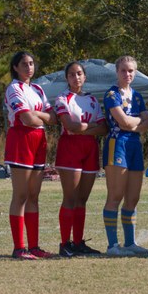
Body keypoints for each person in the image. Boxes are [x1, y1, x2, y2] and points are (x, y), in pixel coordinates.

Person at [3, 51, 57, 260]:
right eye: (24, 64)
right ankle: (19, 248)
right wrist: (39, 117)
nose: (29, 67)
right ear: (15, 67)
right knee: (21, 195)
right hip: (21, 141)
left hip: (39, 142)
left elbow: (52, 118)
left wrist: (39, 116)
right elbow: (26, 119)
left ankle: (34, 246)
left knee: (34, 196)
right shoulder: (13, 88)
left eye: (31, 63)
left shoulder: (37, 89)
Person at [54, 61, 108, 257]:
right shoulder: (62, 99)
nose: (76, 77)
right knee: (70, 198)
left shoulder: (92, 99)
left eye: (79, 74)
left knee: (82, 199)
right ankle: (64, 244)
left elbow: (104, 128)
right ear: (66, 78)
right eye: (71, 74)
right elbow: (70, 126)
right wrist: (89, 126)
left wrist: (83, 127)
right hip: (70, 149)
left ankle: (78, 243)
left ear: (84, 77)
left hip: (90, 149)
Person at [101, 56, 148, 256]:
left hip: (134, 145)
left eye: (131, 71)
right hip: (117, 143)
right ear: (117, 72)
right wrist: (137, 121)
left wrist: (135, 122)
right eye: (123, 70)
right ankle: (113, 245)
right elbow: (123, 123)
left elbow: (147, 123)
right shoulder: (111, 94)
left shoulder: (137, 96)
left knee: (133, 197)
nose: (127, 74)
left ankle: (130, 242)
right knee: (115, 195)